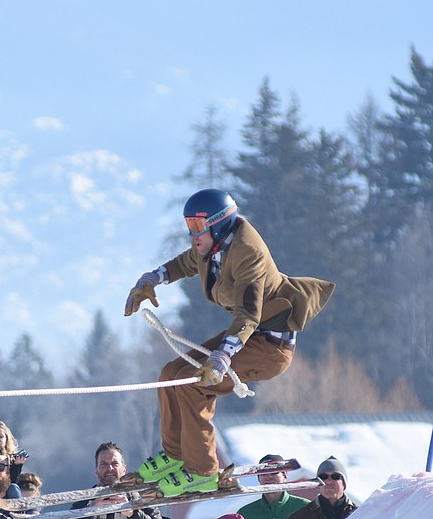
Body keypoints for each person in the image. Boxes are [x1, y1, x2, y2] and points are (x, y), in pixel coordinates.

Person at [124, 188, 335, 496]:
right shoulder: (212, 247)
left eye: (197, 227)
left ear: (218, 224)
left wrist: (222, 358)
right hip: (246, 337)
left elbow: (249, 314)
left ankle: (202, 471)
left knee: (194, 382)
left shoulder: (249, 253)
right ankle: (175, 454)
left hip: (269, 347)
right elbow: (185, 263)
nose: (192, 235)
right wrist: (151, 279)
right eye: (188, 226)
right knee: (170, 374)